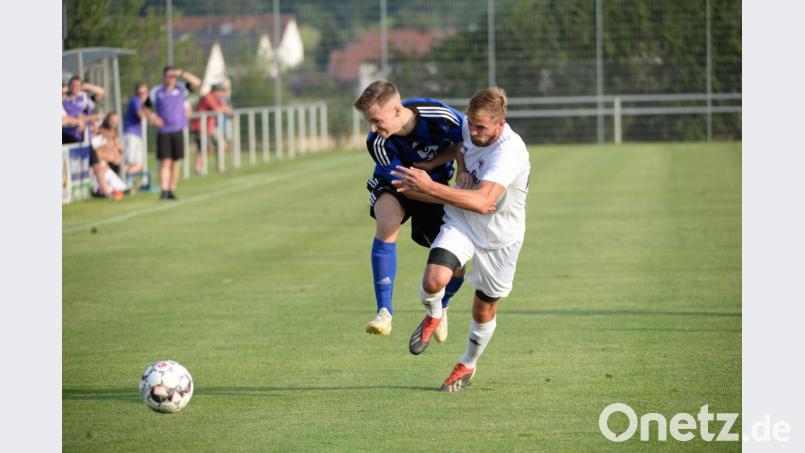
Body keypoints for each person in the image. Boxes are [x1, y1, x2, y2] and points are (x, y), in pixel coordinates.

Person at [391, 87, 531, 392]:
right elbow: (459, 145)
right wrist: (456, 166)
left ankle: (467, 363)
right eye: (471, 123)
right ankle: (435, 313)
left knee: (483, 310)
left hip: (500, 237)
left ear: (500, 123)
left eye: (482, 127)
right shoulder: (469, 127)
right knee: (433, 280)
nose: (474, 131)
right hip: (463, 221)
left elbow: (484, 202)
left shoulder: (510, 153)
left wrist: (428, 186)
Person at [352, 80, 467, 339]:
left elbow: (464, 141)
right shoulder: (377, 142)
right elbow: (403, 186)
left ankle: (442, 305)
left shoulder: (439, 116)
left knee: (454, 258)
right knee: (387, 221)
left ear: (396, 110)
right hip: (402, 186)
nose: (372, 128)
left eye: (376, 120)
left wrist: (456, 173)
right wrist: (454, 200)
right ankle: (384, 311)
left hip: (436, 184)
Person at [150, 66, 201, 200]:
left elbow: (197, 82)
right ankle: (164, 190)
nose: (171, 79)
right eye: (169, 76)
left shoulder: (181, 89)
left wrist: (182, 73)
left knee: (175, 162)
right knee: (165, 161)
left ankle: (172, 189)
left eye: (173, 76)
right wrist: (153, 118)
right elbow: (144, 107)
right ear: (164, 77)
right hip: (164, 131)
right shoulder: (157, 91)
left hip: (178, 130)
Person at [190, 83, 232, 175]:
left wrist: (224, 108)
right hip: (200, 126)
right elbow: (217, 109)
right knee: (201, 148)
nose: (223, 94)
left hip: (210, 126)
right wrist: (224, 109)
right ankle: (198, 169)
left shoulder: (217, 98)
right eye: (222, 92)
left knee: (221, 144)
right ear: (216, 91)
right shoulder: (207, 97)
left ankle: (220, 168)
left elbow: (225, 109)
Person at [123, 83, 163, 176]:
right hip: (131, 135)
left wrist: (154, 119)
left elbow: (147, 113)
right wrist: (152, 118)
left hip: (137, 135)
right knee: (130, 162)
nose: (143, 95)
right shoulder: (136, 101)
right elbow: (141, 115)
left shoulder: (141, 104)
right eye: (141, 93)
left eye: (145, 92)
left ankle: (126, 180)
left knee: (139, 164)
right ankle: (121, 181)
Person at [62, 76, 105, 144]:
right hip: (68, 134)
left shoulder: (83, 98)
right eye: (72, 85)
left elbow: (101, 92)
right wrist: (94, 117)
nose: (75, 88)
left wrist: (87, 86)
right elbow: (75, 118)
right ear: (69, 86)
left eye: (77, 86)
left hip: (84, 136)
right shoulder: (64, 99)